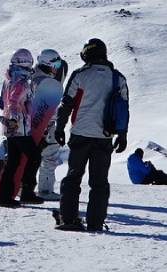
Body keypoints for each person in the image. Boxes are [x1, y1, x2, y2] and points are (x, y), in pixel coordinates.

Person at [54, 39, 129, 232]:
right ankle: (95, 222)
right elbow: (123, 109)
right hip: (104, 136)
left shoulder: (80, 75)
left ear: (86, 54)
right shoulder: (117, 77)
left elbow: (66, 104)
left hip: (80, 133)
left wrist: (59, 128)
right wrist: (122, 135)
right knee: (99, 182)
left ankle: (69, 219)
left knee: (73, 178)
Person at [0, 48, 43, 208]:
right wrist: (16, 119)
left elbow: (2, 103)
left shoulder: (8, 79)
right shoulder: (21, 81)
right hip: (19, 127)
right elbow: (13, 102)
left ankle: (4, 196)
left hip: (10, 127)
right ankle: (27, 192)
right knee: (35, 156)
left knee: (13, 162)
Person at [29, 50, 67, 201]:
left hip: (30, 125)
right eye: (56, 64)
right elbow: (46, 108)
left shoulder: (32, 78)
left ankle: (21, 187)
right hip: (45, 125)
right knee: (49, 157)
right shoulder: (44, 83)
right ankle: (45, 190)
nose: (58, 67)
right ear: (48, 64)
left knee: (28, 157)